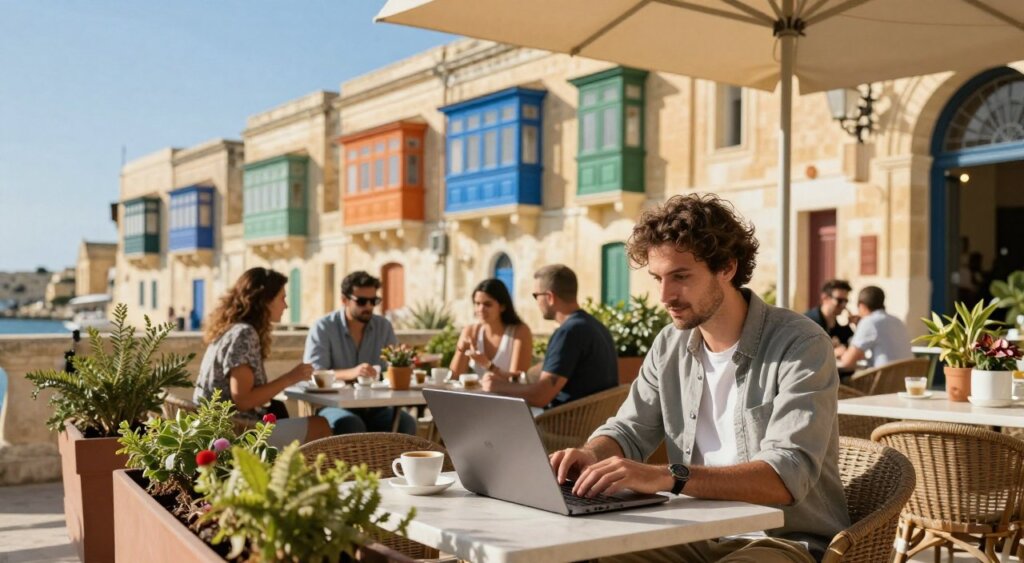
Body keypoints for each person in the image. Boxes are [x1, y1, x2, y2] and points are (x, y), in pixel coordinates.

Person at [549, 194, 848, 562]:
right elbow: (628, 430)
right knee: (579, 554)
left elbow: (785, 476)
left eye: (681, 276)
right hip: (690, 530)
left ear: (726, 268)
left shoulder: (800, 343)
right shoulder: (669, 344)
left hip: (782, 540)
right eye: (657, 278)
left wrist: (669, 477)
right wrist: (589, 455)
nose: (664, 295)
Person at [194, 267, 330, 448]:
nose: (286, 305)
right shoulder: (244, 334)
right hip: (234, 430)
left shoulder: (231, 329)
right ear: (265, 300)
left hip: (219, 425)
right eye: (282, 298)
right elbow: (243, 400)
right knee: (320, 426)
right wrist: (291, 377)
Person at [481, 265, 617, 408]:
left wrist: (496, 386)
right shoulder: (593, 325)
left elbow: (540, 396)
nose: (537, 302)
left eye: (536, 296)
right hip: (593, 419)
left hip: (563, 425)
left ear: (550, 297)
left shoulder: (569, 332)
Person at [303, 271, 417, 435]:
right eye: (362, 301)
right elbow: (314, 373)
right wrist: (353, 372)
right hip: (334, 405)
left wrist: (403, 365)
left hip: (376, 406)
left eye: (374, 301)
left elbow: (392, 367)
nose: (369, 307)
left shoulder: (383, 326)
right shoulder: (323, 327)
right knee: (351, 425)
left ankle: (390, 462)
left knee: (406, 425)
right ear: (344, 300)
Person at [450, 278, 533, 381]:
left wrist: (487, 364)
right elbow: (454, 377)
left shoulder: (520, 332)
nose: (480, 309)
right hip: (478, 396)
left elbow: (516, 380)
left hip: (507, 396)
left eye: (487, 304)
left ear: (502, 306)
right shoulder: (470, 331)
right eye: (477, 303)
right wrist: (461, 350)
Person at [837, 285, 912, 369]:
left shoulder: (869, 322)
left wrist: (839, 353)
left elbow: (847, 363)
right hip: (905, 377)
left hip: (883, 379)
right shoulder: (897, 321)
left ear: (861, 306)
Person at [803, 279, 854, 355]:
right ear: (825, 298)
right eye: (839, 301)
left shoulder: (836, 324)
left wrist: (855, 324)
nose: (843, 305)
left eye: (845, 301)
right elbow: (807, 351)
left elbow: (851, 343)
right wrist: (832, 352)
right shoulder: (810, 322)